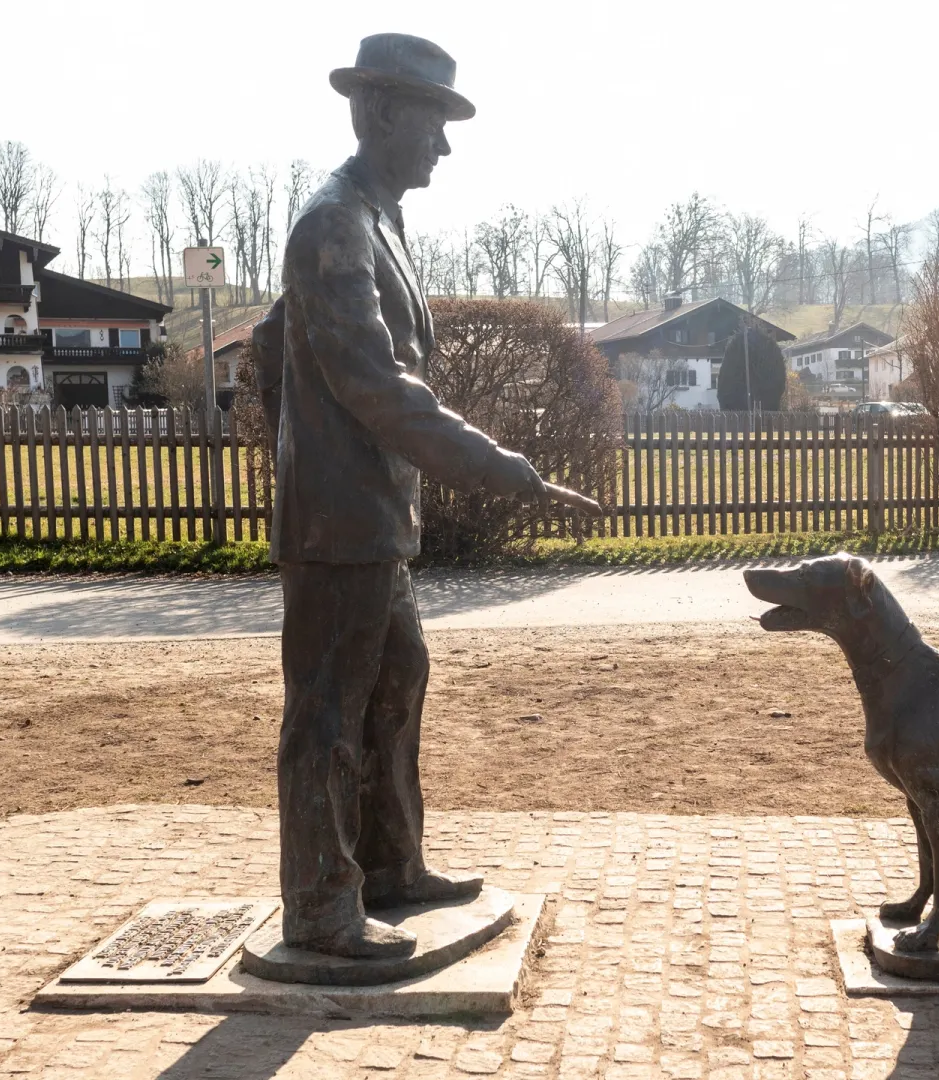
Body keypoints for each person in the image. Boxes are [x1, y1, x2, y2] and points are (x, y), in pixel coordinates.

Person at [250, 33, 597, 960]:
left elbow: (270, 347)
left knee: (397, 680)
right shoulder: (334, 223)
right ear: (378, 114)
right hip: (338, 524)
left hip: (371, 517)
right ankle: (321, 907)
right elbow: (378, 388)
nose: (444, 145)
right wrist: (506, 471)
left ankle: (392, 864)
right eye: (434, 123)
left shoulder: (375, 219)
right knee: (327, 710)